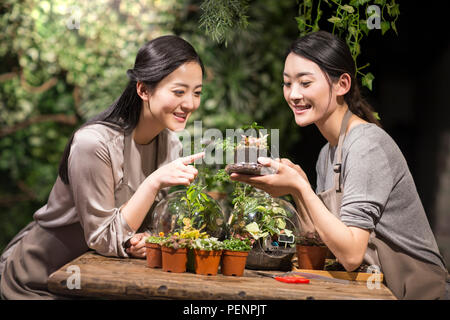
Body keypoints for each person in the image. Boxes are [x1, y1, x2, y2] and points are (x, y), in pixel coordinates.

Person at [230, 31, 448, 300]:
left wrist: (300, 186)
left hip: (412, 291)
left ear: (342, 84)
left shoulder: (366, 145)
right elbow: (321, 239)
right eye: (287, 84)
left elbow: (351, 254)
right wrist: (297, 188)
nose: (293, 94)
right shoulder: (328, 151)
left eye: (305, 83)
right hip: (373, 289)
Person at [0, 35, 205, 299]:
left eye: (196, 93)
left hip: (96, 282)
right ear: (143, 90)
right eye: (179, 92)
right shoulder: (93, 144)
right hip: (40, 281)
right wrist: (152, 182)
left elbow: (148, 227)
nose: (189, 104)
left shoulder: (171, 144)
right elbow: (104, 239)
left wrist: (146, 240)